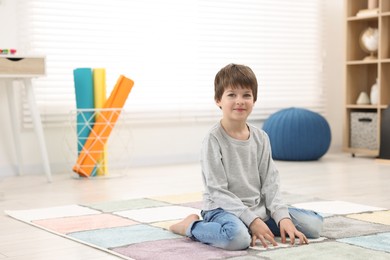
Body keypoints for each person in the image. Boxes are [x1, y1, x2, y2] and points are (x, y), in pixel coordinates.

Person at [169, 63, 323, 250]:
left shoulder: (261, 137)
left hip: (258, 208)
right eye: (232, 95)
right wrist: (252, 220)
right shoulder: (213, 139)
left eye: (246, 95)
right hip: (221, 209)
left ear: (254, 100)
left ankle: (255, 226)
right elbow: (217, 191)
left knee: (314, 225)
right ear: (218, 100)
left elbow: (270, 182)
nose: (240, 101)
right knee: (237, 239)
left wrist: (282, 217)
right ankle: (191, 226)